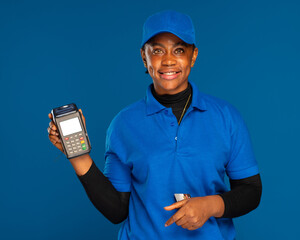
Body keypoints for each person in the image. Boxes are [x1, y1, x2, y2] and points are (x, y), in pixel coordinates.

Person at [47, 10, 262, 240]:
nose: (168, 60)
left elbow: (251, 191)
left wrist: (210, 205)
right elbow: (117, 210)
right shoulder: (123, 124)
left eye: (179, 50)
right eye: (157, 50)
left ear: (193, 56)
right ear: (144, 57)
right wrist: (79, 157)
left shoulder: (227, 117)